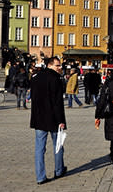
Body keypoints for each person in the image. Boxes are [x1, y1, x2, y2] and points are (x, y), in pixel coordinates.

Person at [30, 57, 67, 185]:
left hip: (39, 118)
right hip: (53, 118)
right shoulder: (55, 79)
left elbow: (33, 99)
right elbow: (58, 103)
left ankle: (40, 177)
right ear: (50, 65)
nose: (60, 68)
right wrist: (61, 120)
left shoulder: (35, 77)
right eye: (58, 65)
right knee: (58, 146)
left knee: (39, 149)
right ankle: (58, 170)